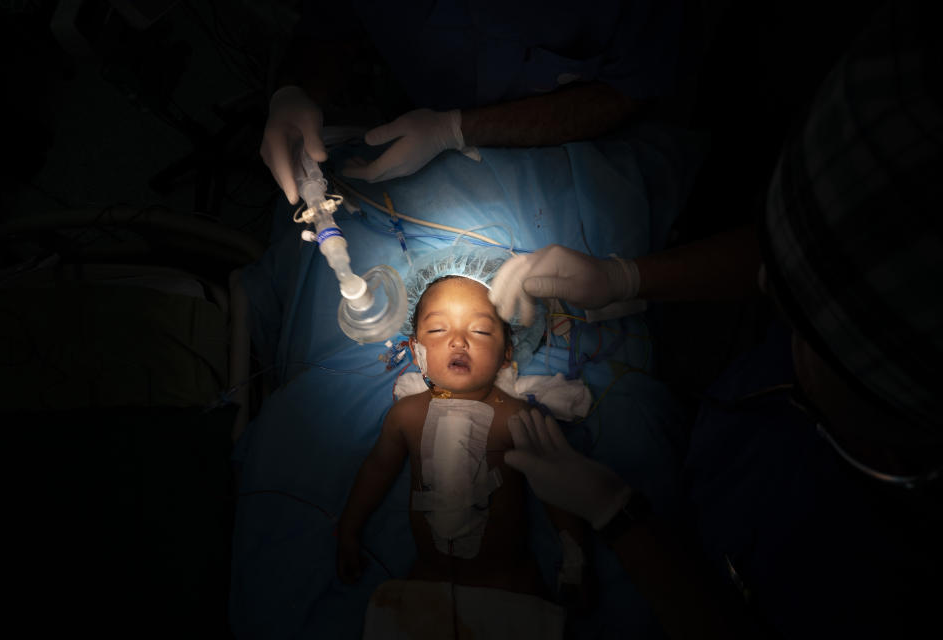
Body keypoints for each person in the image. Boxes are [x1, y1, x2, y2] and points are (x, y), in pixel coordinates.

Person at [489, 2, 943, 638]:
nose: (765, 289)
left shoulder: (875, 574)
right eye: (776, 274)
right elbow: (796, 260)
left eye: (799, 316)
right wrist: (628, 277)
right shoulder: (871, 295)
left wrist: (619, 517)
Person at [336, 256, 592, 638]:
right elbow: (377, 470)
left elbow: (557, 492)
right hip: (428, 583)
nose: (458, 340)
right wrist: (349, 528)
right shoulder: (405, 417)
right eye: (438, 329)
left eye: (482, 331)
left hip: (508, 584)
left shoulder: (515, 417)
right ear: (416, 349)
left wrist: (575, 557)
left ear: (508, 353)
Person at [260, 0, 683, 203]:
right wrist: (294, 92)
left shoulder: (623, 12)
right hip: (421, 141)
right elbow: (331, 27)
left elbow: (628, 91)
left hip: (570, 154)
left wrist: (457, 129)